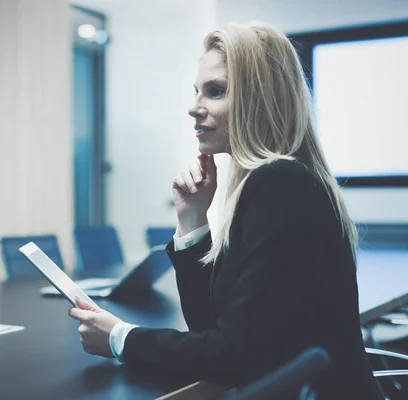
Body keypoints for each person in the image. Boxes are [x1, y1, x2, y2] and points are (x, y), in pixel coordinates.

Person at [68, 22, 383, 399]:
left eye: (215, 91)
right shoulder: (276, 182)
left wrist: (121, 338)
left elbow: (234, 356)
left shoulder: (280, 184)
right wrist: (192, 219)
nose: (193, 108)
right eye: (197, 91)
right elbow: (213, 329)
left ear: (261, 100)